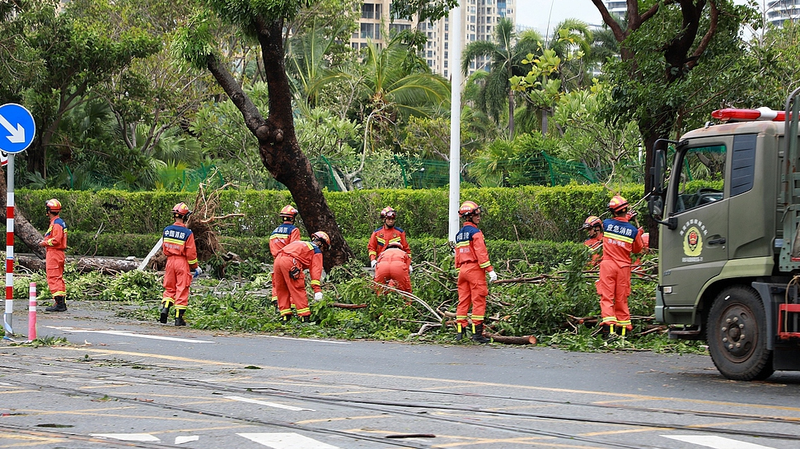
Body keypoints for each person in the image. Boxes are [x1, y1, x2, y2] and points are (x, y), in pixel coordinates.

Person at [597, 195, 645, 339]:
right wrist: (639, 232)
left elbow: (612, 224)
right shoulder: (633, 231)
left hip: (608, 265)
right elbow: (637, 250)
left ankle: (609, 333)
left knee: (607, 298)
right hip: (623, 268)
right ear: (626, 210)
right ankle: (623, 334)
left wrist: (625, 219)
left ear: (613, 212)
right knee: (621, 299)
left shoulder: (606, 224)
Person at [454, 201, 497, 343]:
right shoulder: (476, 233)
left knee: (463, 301)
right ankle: (477, 334)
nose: (479, 216)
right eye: (476, 214)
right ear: (469, 216)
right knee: (478, 300)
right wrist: (490, 270)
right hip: (475, 270)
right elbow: (481, 254)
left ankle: (460, 333)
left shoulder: (459, 235)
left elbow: (458, 256)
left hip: (463, 271)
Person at [273, 231, 329, 323]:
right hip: (291, 262)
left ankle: (285, 316)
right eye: (324, 247)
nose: (323, 250)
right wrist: (317, 290)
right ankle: (304, 317)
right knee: (297, 288)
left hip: (278, 260)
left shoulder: (301, 244)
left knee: (282, 288)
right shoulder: (316, 250)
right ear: (321, 243)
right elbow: (315, 272)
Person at [160, 202, 200, 326]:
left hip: (170, 261)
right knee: (182, 288)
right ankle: (178, 318)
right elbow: (191, 254)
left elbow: (164, 249)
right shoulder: (187, 233)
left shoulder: (166, 230)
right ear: (185, 217)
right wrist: (195, 267)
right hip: (182, 262)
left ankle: (165, 308)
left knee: (169, 287)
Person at [269, 205, 302, 308]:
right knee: (291, 283)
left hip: (276, 260)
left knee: (277, 283)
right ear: (292, 218)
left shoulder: (274, 232)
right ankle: (292, 307)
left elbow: (272, 247)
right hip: (288, 260)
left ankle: (277, 304)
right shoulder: (294, 230)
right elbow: (295, 247)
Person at [39, 199, 68, 312]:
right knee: (58, 278)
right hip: (57, 253)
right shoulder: (58, 222)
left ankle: (59, 303)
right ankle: (60, 302)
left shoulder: (56, 224)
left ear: (49, 211)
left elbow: (56, 240)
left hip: (54, 252)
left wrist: (44, 243)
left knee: (53, 277)